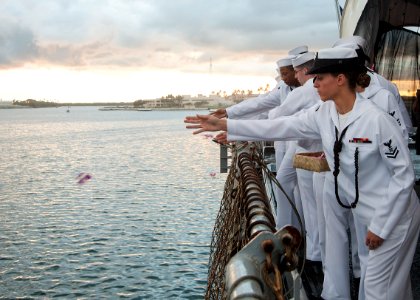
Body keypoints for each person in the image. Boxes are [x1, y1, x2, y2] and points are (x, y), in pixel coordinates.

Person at [185, 47, 420, 300]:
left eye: (320, 78)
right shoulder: (324, 113)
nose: (314, 83)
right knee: (389, 290)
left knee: (378, 291)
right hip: (367, 215)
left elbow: (403, 176)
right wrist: (227, 125)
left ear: (340, 79)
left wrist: (382, 226)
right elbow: (282, 125)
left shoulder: (376, 120)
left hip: (394, 218)